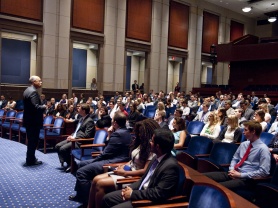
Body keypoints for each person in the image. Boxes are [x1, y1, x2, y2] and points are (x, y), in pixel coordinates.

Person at [88, 119, 159, 208]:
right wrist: (123, 166)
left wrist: (124, 172)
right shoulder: (140, 143)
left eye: (141, 132)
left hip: (134, 177)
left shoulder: (152, 149)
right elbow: (133, 160)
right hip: (128, 171)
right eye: (139, 132)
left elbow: (145, 171)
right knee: (95, 179)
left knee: (100, 184)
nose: (139, 135)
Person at [102, 128, 180, 208]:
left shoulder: (170, 167)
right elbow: (143, 180)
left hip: (149, 202)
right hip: (141, 192)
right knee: (107, 198)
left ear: (157, 147)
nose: (149, 142)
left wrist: (132, 194)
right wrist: (129, 189)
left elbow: (158, 193)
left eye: (152, 141)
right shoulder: (156, 158)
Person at [68, 112, 132, 206]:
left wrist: (94, 161)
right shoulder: (125, 132)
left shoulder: (118, 134)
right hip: (113, 158)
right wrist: (110, 134)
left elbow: (106, 153)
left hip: (114, 161)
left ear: (115, 123)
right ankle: (80, 195)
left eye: (112, 121)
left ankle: (88, 200)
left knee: (81, 172)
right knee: (81, 164)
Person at [204, 121, 271, 193]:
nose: (243, 132)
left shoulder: (263, 149)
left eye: (246, 130)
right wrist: (232, 169)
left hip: (246, 179)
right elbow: (235, 159)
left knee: (217, 187)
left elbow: (264, 172)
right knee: (203, 177)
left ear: (253, 132)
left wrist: (241, 175)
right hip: (233, 173)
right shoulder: (244, 144)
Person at [55, 103, 95, 172]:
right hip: (74, 138)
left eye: (79, 108)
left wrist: (75, 138)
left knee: (62, 149)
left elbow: (87, 135)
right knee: (57, 146)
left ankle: (72, 165)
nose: (77, 109)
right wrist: (72, 135)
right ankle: (69, 163)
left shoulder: (89, 121)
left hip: (80, 142)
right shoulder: (81, 119)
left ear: (84, 111)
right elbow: (77, 131)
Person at [23, 75, 46, 166]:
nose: (41, 82)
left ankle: (30, 158)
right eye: (39, 81)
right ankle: (31, 160)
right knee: (33, 141)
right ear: (34, 82)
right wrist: (44, 106)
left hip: (29, 121)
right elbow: (35, 107)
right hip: (33, 122)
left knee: (31, 141)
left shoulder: (27, 90)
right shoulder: (33, 92)